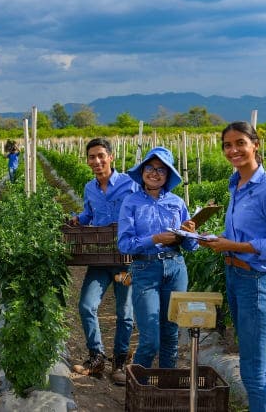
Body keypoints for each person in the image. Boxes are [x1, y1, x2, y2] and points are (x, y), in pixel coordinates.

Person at [199, 121, 266, 411]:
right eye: (227, 145)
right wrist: (217, 240)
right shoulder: (236, 185)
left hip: (257, 282)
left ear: (255, 144)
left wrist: (233, 246)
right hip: (236, 276)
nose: (233, 150)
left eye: (240, 142)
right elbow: (244, 235)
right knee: (258, 364)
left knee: (251, 373)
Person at [117, 146, 198, 371]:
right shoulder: (131, 202)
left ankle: (165, 386)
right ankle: (139, 387)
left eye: (161, 170)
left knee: (171, 333)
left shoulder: (177, 202)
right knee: (150, 338)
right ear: (142, 171)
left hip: (176, 267)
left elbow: (192, 246)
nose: (155, 173)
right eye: (150, 168)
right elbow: (124, 245)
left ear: (168, 175)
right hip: (145, 267)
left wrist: (190, 231)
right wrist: (155, 238)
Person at [69, 138, 138, 385]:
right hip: (99, 258)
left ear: (111, 157)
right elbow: (89, 215)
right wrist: (78, 219)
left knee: (125, 312)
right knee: (87, 305)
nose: (96, 161)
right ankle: (96, 357)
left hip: (125, 261)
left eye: (101, 156)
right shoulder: (90, 188)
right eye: (91, 157)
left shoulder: (130, 183)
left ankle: (120, 361)